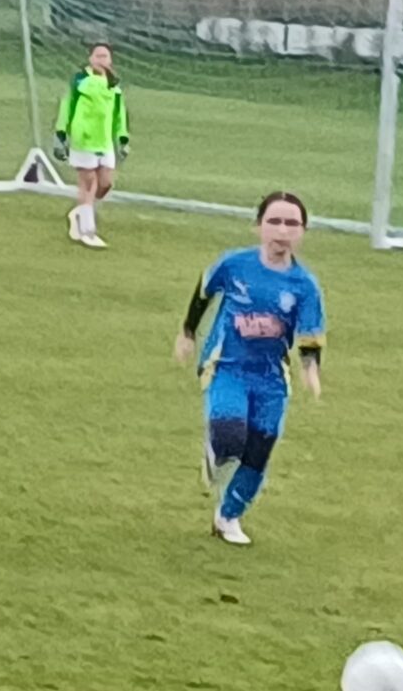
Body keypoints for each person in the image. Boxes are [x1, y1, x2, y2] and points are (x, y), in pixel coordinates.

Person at [174, 191, 326, 545]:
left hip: (271, 379)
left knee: (259, 450)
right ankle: (217, 449)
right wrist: (188, 332)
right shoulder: (234, 265)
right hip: (227, 367)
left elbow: (310, 332)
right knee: (230, 436)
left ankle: (228, 516)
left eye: (292, 223)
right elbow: (204, 291)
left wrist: (310, 368)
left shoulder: (304, 285)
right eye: (274, 221)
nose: (282, 231)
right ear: (258, 226)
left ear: (303, 231)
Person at [53, 43, 130, 249]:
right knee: (88, 184)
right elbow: (67, 106)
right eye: (98, 56)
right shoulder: (80, 81)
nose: (101, 60)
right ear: (90, 59)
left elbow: (119, 114)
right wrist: (61, 132)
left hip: (104, 142)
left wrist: (122, 138)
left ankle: (80, 212)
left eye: (105, 56)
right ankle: (87, 231)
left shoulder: (113, 85)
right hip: (83, 139)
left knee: (105, 184)